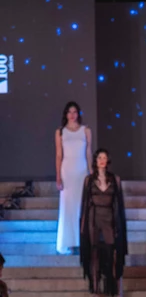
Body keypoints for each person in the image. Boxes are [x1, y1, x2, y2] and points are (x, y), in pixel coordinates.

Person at [80, 149, 127, 297]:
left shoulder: (115, 179)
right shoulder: (89, 180)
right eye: (99, 157)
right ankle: (96, 291)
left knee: (113, 254)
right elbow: (85, 204)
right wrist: (83, 227)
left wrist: (118, 225)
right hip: (94, 221)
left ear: (108, 161)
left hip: (110, 220)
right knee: (94, 255)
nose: (102, 160)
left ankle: (117, 290)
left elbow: (119, 204)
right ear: (95, 160)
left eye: (104, 157)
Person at [55, 101, 92, 255]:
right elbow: (59, 155)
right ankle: (69, 242)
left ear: (78, 114)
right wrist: (58, 176)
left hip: (82, 171)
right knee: (68, 207)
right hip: (67, 172)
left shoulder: (86, 130)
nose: (72, 115)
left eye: (74, 112)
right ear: (66, 114)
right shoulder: (60, 132)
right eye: (69, 112)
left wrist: (91, 172)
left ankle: (82, 241)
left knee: (82, 206)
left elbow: (89, 152)